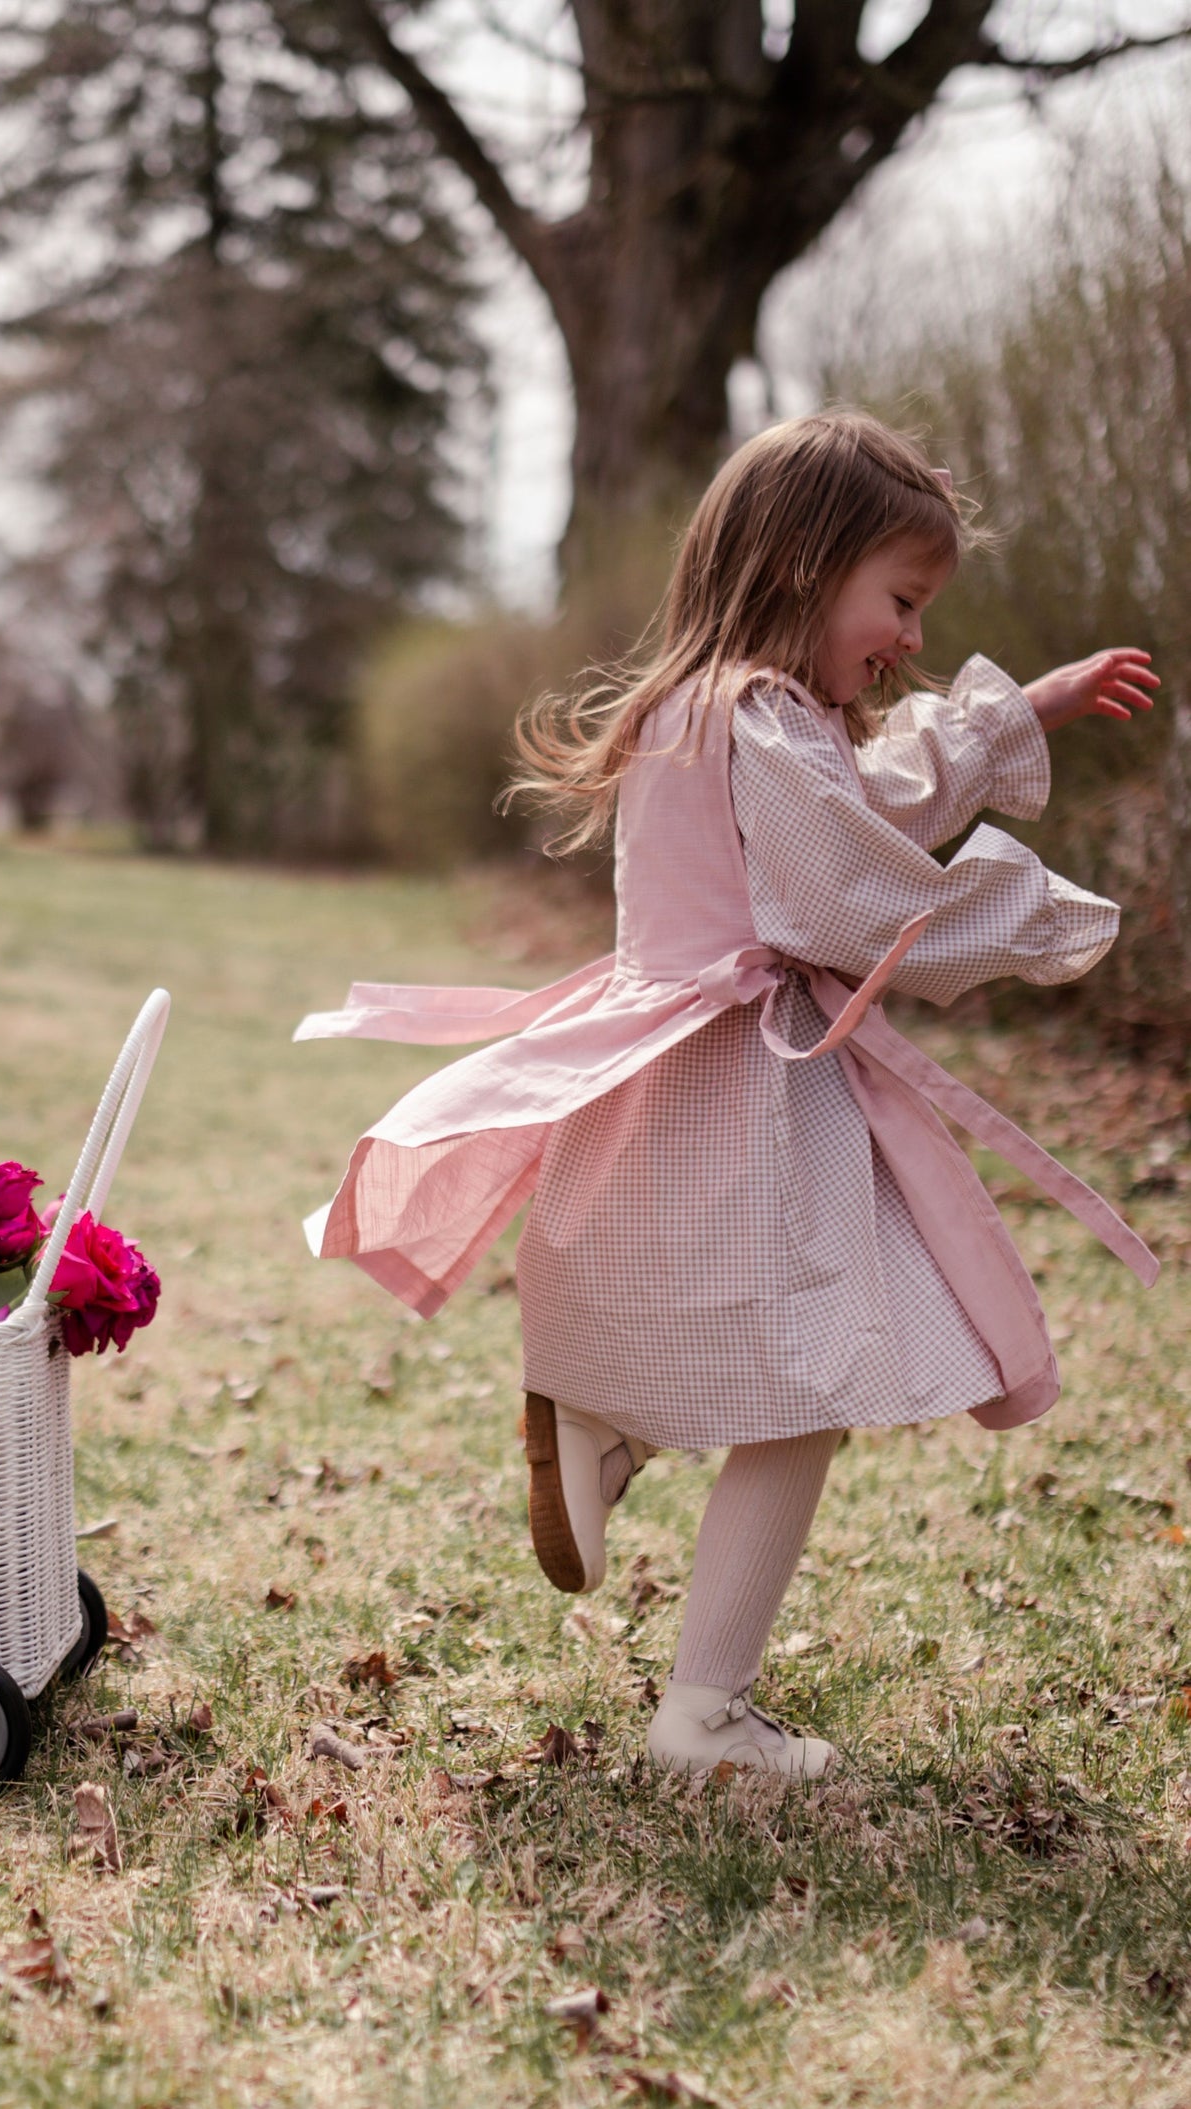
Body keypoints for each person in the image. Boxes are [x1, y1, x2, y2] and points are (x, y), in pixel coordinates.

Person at [295, 410, 1158, 1780]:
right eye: (900, 600)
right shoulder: (756, 714)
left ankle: (610, 1428)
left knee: (779, 1358)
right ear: (802, 566)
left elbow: (865, 797)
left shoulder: (718, 711)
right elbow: (845, 883)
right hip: (748, 1075)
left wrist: (1017, 713)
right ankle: (696, 1698)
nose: (913, 639)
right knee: (802, 1370)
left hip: (685, 1063)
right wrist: (1026, 911)